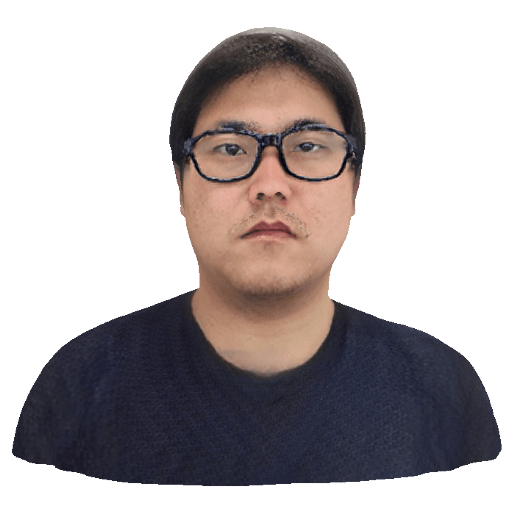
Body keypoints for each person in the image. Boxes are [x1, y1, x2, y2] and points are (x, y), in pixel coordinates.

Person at [12, 28, 500, 485]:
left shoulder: (443, 391)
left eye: (307, 145)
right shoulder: (80, 387)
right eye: (230, 149)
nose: (269, 184)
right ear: (180, 184)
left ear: (355, 185)